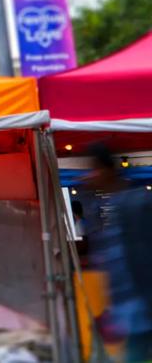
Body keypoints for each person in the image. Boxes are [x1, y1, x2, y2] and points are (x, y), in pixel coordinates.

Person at [87, 143, 152, 361]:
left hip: (141, 304)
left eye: (94, 169)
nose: (91, 176)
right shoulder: (111, 206)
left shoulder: (136, 202)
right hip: (128, 307)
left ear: (106, 170)